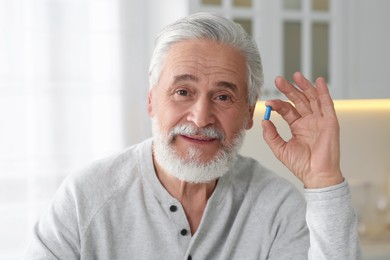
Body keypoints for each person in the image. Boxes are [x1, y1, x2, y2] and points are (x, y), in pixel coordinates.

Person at [25, 13, 361, 259]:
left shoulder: (276, 207)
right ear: (151, 100)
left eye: (223, 96)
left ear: (247, 113)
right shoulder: (85, 198)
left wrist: (324, 179)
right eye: (183, 91)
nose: (200, 118)